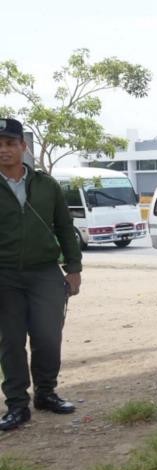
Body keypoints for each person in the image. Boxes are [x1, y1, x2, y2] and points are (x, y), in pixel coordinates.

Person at [0, 118, 82, 431]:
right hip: (4, 274)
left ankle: (46, 393)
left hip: (45, 272)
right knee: (11, 341)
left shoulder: (46, 185)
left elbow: (64, 226)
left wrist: (73, 267)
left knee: (48, 337)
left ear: (23, 146)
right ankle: (17, 405)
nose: (4, 150)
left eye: (10, 143)